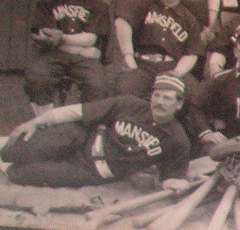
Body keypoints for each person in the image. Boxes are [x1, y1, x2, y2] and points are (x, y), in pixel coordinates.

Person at [1, 73, 193, 190]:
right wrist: (35, 122)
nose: (159, 102)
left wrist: (174, 184)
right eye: (156, 95)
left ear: (179, 104)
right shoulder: (130, 104)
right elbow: (77, 111)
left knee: (19, 174)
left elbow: (170, 178)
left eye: (167, 98)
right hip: (80, 139)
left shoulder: (178, 140)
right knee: (12, 150)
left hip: (92, 171)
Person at [24, 0, 111, 115]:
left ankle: (84, 123)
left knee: (98, 85)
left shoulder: (96, 1)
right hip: (52, 55)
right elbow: (43, 35)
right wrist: (80, 49)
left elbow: (91, 39)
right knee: (36, 78)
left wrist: (61, 39)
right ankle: (45, 120)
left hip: (82, 60)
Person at [112, 0, 206, 99]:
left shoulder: (189, 19)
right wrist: (128, 57)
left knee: (195, 95)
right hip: (142, 64)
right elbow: (121, 23)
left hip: (170, 67)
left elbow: (192, 53)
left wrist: (177, 72)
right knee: (124, 88)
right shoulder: (145, 3)